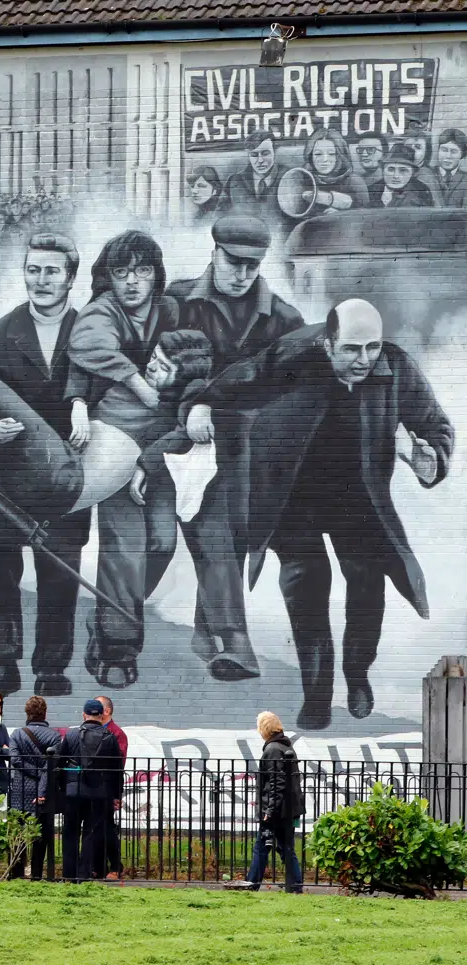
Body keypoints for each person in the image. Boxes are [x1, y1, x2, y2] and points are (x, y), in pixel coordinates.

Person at [190, 299, 452, 730]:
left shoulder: (395, 367)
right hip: (294, 494)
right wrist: (203, 404)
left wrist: (432, 460)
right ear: (327, 344)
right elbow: (244, 375)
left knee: (367, 585)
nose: (364, 359)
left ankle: (358, 674)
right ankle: (317, 696)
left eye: (372, 347)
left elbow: (435, 424)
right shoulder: (294, 353)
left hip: (358, 497)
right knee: (307, 586)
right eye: (351, 349)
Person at [166, 215, 304, 682]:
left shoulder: (283, 319)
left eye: (253, 265)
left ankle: (207, 632)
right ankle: (234, 640)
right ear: (214, 253)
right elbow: (157, 369)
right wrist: (193, 404)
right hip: (183, 439)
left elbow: (293, 390)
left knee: (236, 528)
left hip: (248, 449)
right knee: (216, 524)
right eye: (234, 262)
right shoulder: (177, 303)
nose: (243, 274)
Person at [0, 233, 86, 698]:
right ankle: (3, 664)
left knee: (60, 573)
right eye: (33, 270)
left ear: (70, 278)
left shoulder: (94, 337)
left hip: (66, 479)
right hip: (0, 478)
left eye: (52, 271)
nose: (41, 280)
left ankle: (52, 667)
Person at [66, 230, 181, 688]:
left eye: (142, 270)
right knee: (125, 547)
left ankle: (112, 613)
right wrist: (135, 384)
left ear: (156, 275)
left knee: (163, 544)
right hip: (115, 440)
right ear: (108, 277)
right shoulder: (102, 311)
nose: (132, 282)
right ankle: (117, 648)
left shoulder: (172, 311)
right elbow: (86, 347)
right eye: (122, 272)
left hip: (162, 445)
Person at [239, 711, 305, 892]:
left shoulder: (273, 749)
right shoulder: (284, 747)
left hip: (277, 810)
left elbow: (277, 782)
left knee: (262, 848)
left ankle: (252, 885)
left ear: (264, 728)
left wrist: (269, 810)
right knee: (285, 848)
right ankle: (295, 885)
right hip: (287, 809)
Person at [60, 698, 124, 882]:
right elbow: (116, 770)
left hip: (73, 792)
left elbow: (60, 762)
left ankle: (69, 874)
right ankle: (84, 874)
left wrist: (63, 787)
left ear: (84, 715)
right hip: (98, 793)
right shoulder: (109, 738)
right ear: (101, 716)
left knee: (70, 833)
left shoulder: (72, 735)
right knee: (91, 834)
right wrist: (116, 795)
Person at [7, 695, 63, 880]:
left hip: (21, 788)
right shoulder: (54, 736)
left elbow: (15, 760)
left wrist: (34, 772)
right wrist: (41, 775)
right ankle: (37, 874)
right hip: (43, 790)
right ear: (44, 713)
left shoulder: (17, 734)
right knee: (42, 833)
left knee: (18, 832)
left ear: (27, 713)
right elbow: (51, 766)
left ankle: (16, 872)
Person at [97, 695, 129, 880]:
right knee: (94, 827)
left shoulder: (117, 733)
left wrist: (116, 794)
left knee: (108, 827)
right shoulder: (94, 730)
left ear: (107, 711)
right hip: (93, 786)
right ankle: (98, 866)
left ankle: (115, 865)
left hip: (108, 787)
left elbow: (119, 764)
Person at [224, 135, 285, 232]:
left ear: (275, 152)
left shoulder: (289, 176)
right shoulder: (234, 182)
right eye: (254, 155)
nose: (260, 160)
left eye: (265, 153)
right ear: (248, 156)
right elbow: (219, 216)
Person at [299, 129, 368, 214]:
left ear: (339, 156)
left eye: (331, 154)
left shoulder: (354, 182)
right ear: (310, 156)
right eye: (318, 154)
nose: (324, 159)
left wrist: (341, 215)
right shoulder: (303, 179)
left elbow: (364, 215)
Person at [369, 142, 435, 208]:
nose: (396, 176)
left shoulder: (421, 193)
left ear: (412, 173)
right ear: (383, 171)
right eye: (391, 169)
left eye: (403, 170)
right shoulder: (371, 190)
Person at [418, 128, 467, 208]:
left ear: (462, 155)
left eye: (453, 151)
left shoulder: (465, 179)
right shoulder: (426, 174)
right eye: (444, 150)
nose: (448, 156)